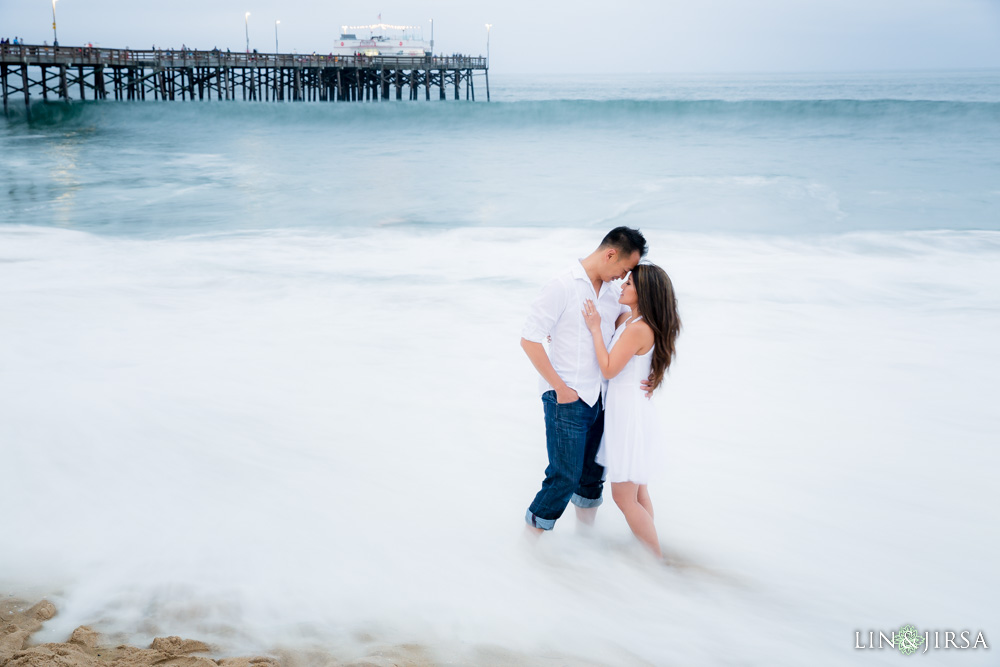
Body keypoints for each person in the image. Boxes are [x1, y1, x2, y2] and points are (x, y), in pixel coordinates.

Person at [521, 227, 648, 534]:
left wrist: (653, 368)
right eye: (625, 269)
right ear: (610, 254)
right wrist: (560, 389)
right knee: (564, 476)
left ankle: (585, 543)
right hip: (567, 397)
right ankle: (529, 546)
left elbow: (632, 326)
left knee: (592, 476)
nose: (623, 276)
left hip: (602, 398)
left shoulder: (612, 294)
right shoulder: (562, 285)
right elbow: (530, 340)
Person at [581, 263, 680, 557]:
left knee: (624, 497)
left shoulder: (638, 329)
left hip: (627, 415)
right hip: (629, 411)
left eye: (629, 284)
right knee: (637, 493)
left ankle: (655, 558)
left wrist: (596, 329)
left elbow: (609, 369)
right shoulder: (631, 320)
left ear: (644, 293)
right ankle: (652, 554)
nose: (622, 286)